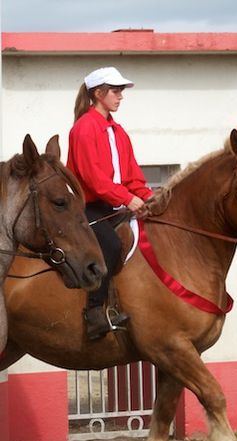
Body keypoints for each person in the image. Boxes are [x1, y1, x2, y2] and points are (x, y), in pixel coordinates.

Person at [67, 66, 153, 340]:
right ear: (98, 93)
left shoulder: (118, 131)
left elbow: (132, 176)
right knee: (112, 244)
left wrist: (150, 198)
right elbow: (94, 179)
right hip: (88, 208)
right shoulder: (83, 128)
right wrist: (128, 199)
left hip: (115, 205)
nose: (120, 96)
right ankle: (94, 314)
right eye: (116, 91)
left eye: (120, 91)